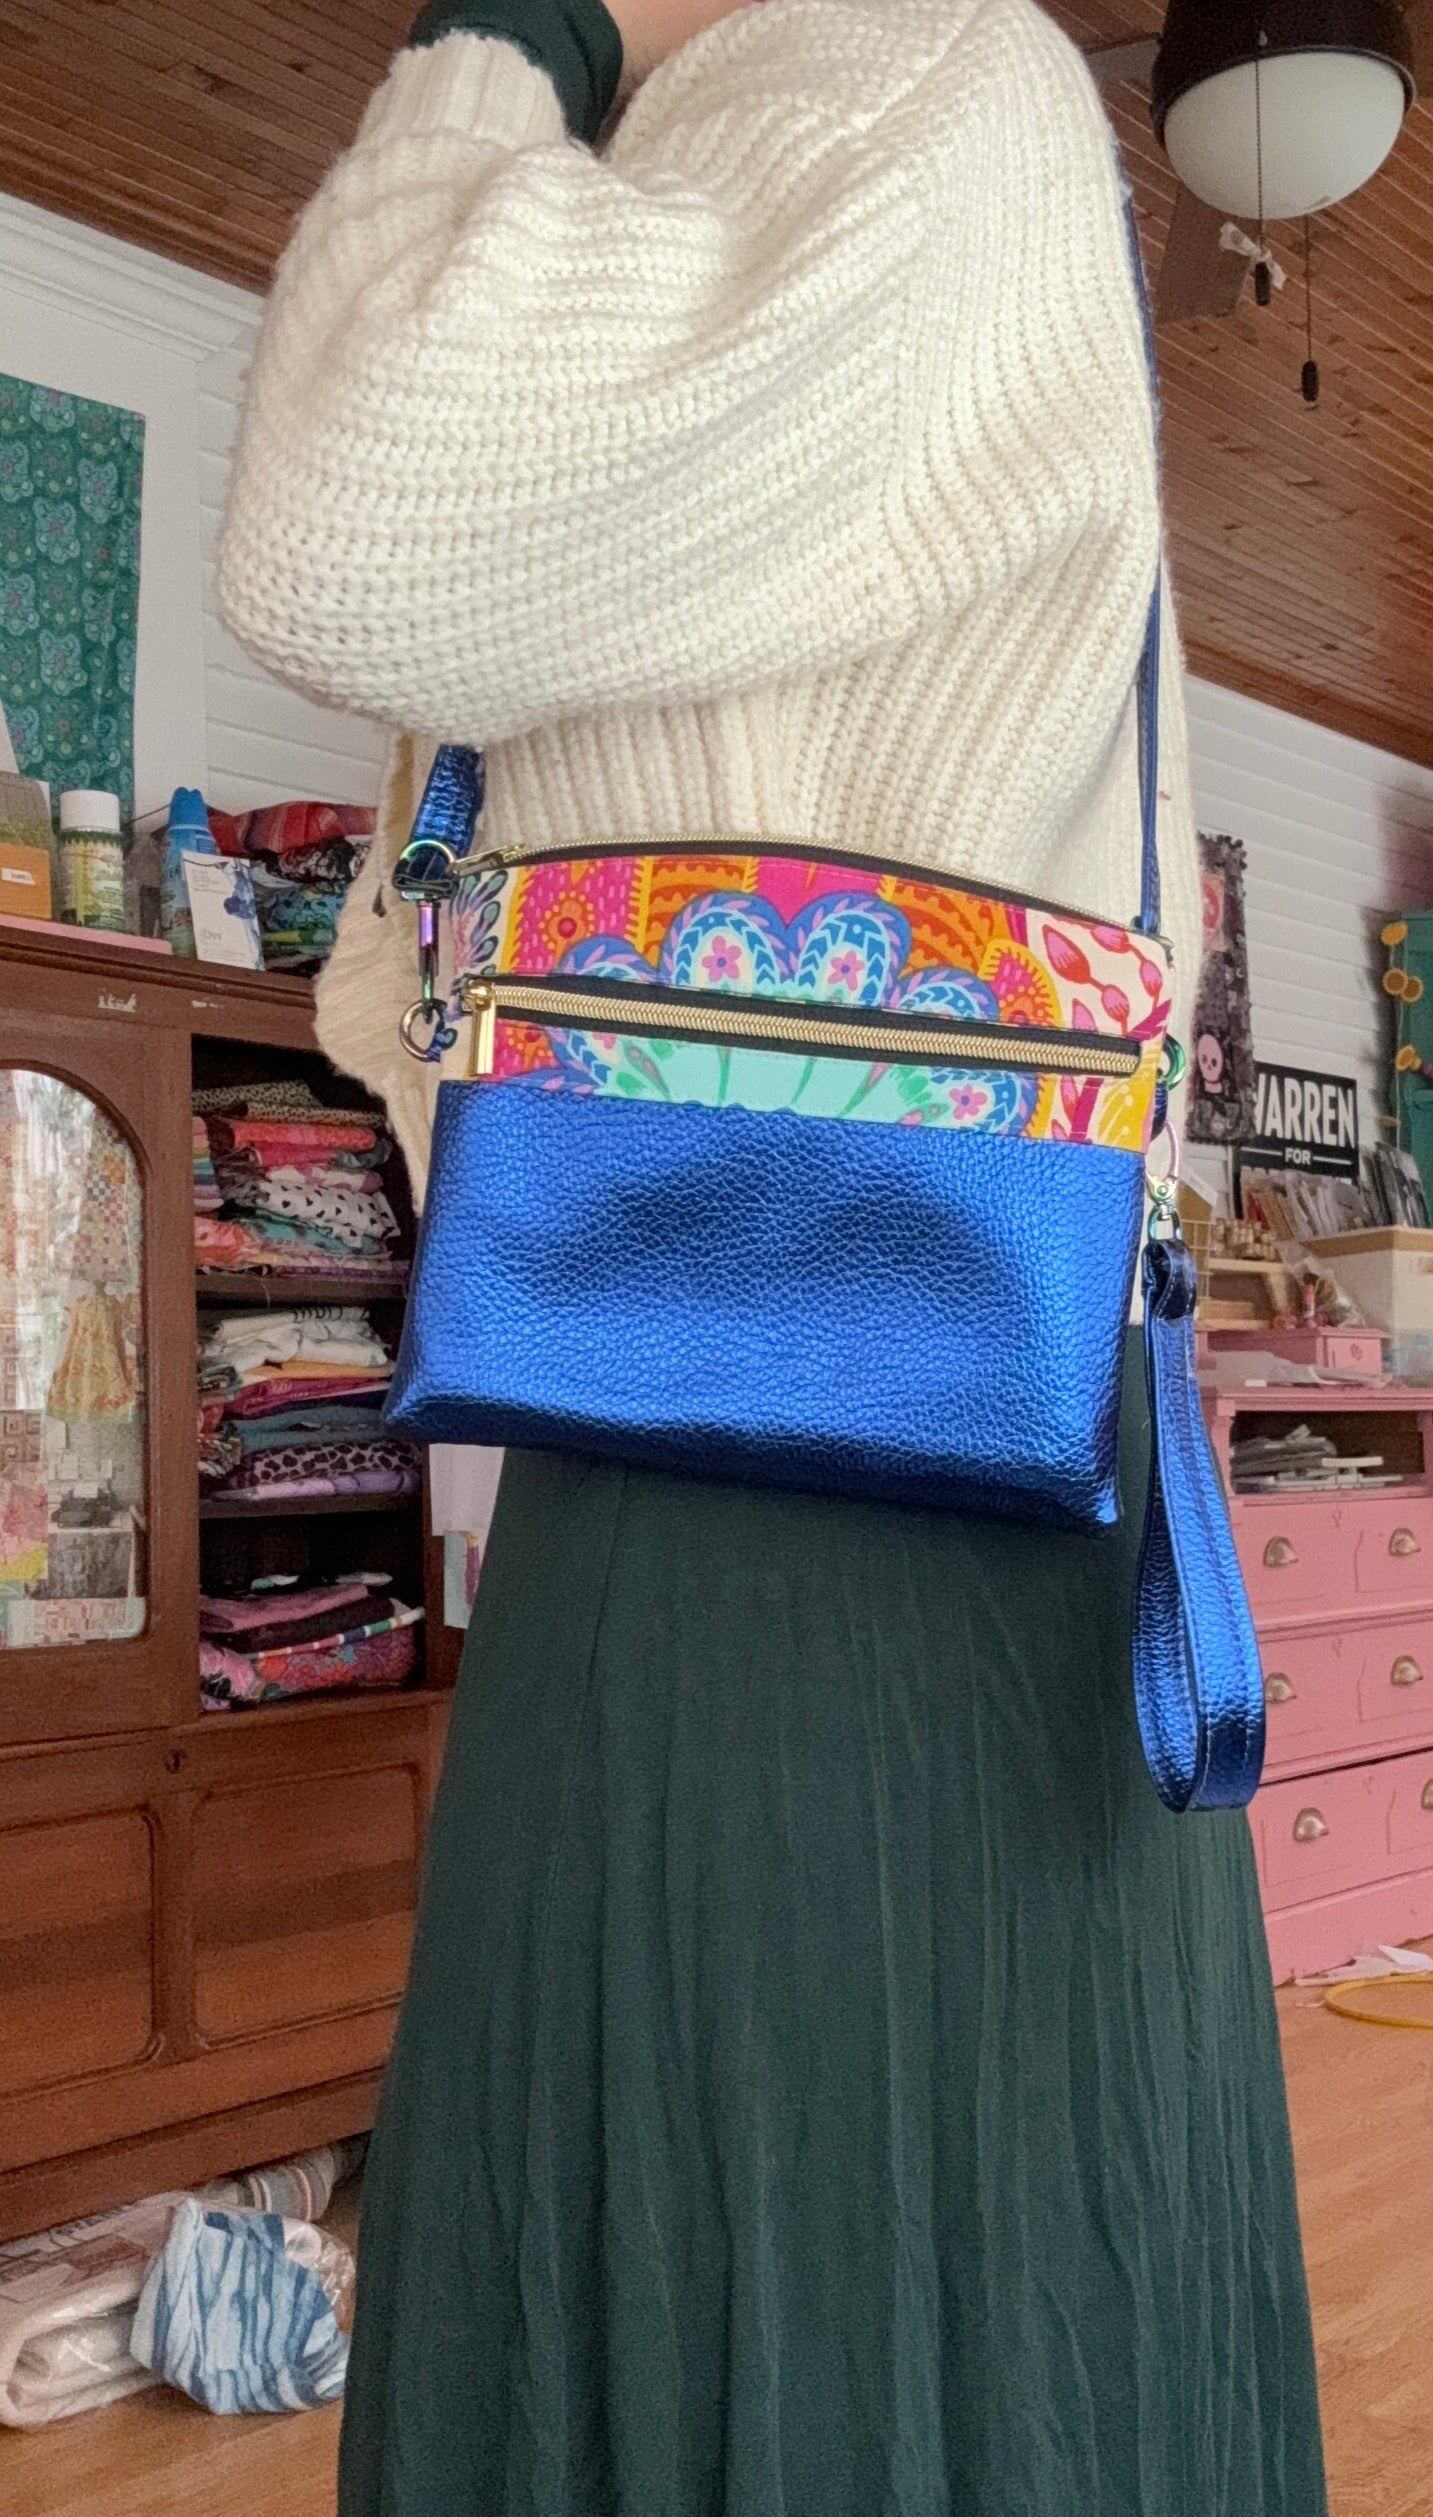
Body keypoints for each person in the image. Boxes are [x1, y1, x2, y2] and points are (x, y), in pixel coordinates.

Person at [219, 0, 1327, 2507]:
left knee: (810, 2307)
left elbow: (335, 532)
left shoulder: (921, 91)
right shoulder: (767, 162)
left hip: (850, 1567)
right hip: (790, 1468)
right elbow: (404, 964)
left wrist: (505, 43)